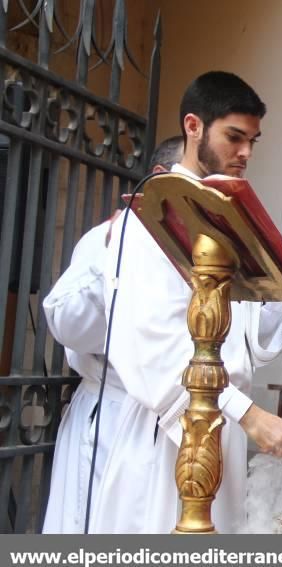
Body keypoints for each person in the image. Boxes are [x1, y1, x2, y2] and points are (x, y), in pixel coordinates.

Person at [91, 71, 282, 533]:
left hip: (222, 424)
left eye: (253, 140)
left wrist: (281, 290)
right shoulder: (149, 215)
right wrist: (246, 413)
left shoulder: (226, 214)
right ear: (193, 126)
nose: (246, 152)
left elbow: (246, 342)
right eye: (234, 137)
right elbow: (146, 341)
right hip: (164, 432)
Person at [41, 136, 183, 533]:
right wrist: (115, 255)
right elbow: (68, 322)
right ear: (159, 180)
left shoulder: (202, 249)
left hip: (176, 421)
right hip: (115, 413)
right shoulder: (106, 239)